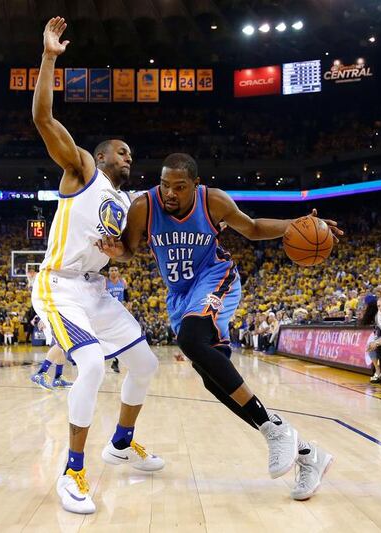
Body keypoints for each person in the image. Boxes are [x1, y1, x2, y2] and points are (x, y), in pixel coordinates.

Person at [97, 152, 342, 501]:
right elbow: (130, 250)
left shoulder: (212, 201)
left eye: (179, 187)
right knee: (216, 382)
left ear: (194, 186)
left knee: (191, 339)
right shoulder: (143, 207)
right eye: (166, 185)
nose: (170, 193)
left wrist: (294, 224)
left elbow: (253, 228)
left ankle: (276, 431)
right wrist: (113, 250)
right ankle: (307, 453)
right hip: (179, 296)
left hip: (215, 278)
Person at [30, 17, 163, 515]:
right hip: (58, 285)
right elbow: (44, 119)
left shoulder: (126, 200)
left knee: (145, 363)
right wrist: (49, 57)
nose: (129, 157)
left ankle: (121, 443)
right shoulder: (81, 168)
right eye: (122, 151)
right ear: (103, 154)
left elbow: (131, 251)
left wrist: (121, 253)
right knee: (89, 365)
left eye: (131, 154)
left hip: (96, 290)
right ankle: (72, 471)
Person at [106, 265, 128, 373]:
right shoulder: (105, 283)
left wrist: (128, 306)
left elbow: (127, 296)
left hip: (119, 313)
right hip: (108, 313)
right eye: (112, 270)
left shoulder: (123, 282)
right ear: (109, 272)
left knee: (119, 338)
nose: (114, 272)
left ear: (118, 272)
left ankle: (116, 361)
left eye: (115, 270)